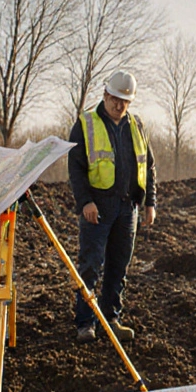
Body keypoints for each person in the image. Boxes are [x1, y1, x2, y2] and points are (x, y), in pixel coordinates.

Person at [66, 70, 157, 344]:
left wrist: (150, 202)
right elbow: (76, 168)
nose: (120, 105)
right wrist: (85, 202)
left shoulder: (136, 126)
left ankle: (111, 319)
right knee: (91, 265)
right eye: (116, 99)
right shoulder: (86, 124)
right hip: (98, 207)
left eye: (125, 101)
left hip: (128, 207)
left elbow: (148, 165)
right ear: (105, 95)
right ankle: (85, 322)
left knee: (119, 266)